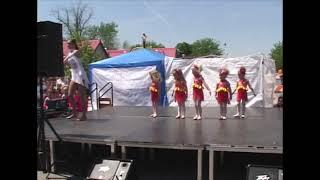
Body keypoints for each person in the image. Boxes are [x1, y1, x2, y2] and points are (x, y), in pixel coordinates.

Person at [63, 39, 89, 121]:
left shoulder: (77, 51)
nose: (67, 45)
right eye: (67, 44)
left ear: (73, 44)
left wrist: (65, 58)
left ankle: (84, 115)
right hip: (74, 75)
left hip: (80, 75)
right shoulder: (70, 53)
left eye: (69, 44)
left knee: (82, 95)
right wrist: (66, 62)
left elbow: (68, 58)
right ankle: (75, 113)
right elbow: (69, 65)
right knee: (70, 95)